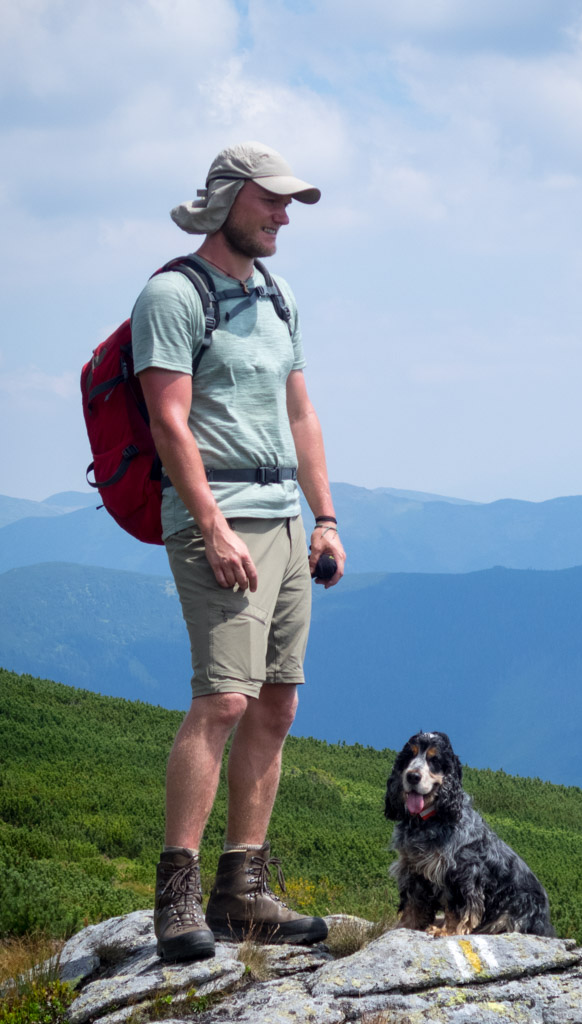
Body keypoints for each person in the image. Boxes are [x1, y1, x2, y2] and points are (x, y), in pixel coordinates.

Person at [132, 142, 345, 962]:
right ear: (229, 201)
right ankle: (176, 899)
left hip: (286, 521)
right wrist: (215, 527)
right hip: (216, 519)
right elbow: (168, 422)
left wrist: (324, 517)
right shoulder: (173, 295)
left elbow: (302, 415)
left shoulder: (278, 295)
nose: (286, 216)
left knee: (277, 702)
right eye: (273, 202)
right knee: (223, 698)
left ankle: (242, 891)